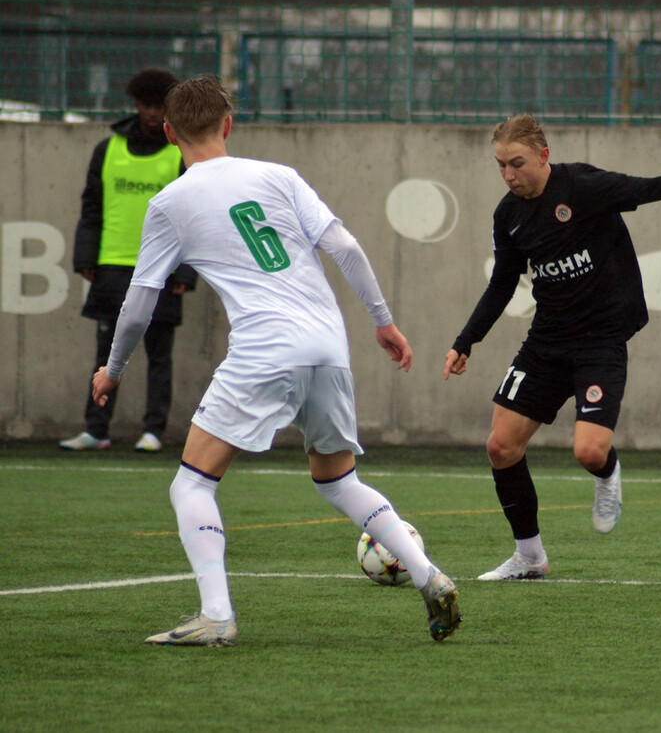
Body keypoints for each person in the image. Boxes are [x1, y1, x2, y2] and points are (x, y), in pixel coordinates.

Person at [91, 75, 462, 645]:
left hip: (265, 348)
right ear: (229, 125)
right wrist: (383, 321)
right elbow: (346, 248)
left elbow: (140, 302)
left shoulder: (170, 202)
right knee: (339, 482)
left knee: (192, 486)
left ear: (168, 133)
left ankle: (216, 617)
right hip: (328, 345)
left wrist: (112, 370)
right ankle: (428, 574)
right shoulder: (278, 176)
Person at [444, 112, 661, 581]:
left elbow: (651, 186)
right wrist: (466, 341)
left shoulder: (583, 187)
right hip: (545, 343)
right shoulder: (508, 215)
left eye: (517, 163)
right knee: (501, 447)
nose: (508, 175)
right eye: (500, 166)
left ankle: (607, 475)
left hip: (600, 344)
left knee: (588, 452)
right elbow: (503, 283)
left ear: (544, 157)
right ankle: (529, 557)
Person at [61, 67, 197, 454]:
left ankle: (153, 430)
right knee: (105, 353)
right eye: (146, 105)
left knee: (158, 354)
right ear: (136, 105)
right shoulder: (107, 150)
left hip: (165, 268)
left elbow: (194, 214)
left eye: (160, 106)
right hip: (112, 266)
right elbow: (92, 207)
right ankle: (95, 429)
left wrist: (186, 269)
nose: (153, 113)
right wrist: (86, 256)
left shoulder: (180, 152)